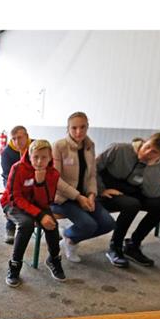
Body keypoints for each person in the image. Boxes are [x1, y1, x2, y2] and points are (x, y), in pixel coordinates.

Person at [96, 133, 160, 268]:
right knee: (132, 205)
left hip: (131, 191)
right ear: (144, 141)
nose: (148, 152)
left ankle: (133, 245)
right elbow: (92, 168)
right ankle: (115, 246)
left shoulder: (158, 166)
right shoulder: (119, 149)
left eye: (154, 152)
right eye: (147, 146)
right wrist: (101, 189)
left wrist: (151, 167)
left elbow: (153, 194)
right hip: (106, 189)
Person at [51, 112, 115, 262]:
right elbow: (56, 180)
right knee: (88, 225)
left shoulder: (89, 145)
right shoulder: (59, 146)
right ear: (68, 128)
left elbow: (92, 174)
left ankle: (69, 236)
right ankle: (71, 240)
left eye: (82, 127)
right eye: (74, 128)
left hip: (84, 196)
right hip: (61, 198)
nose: (78, 132)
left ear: (88, 127)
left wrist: (92, 195)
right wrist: (78, 197)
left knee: (108, 223)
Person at [1, 139, 65, 285]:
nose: (39, 161)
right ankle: (15, 265)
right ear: (29, 155)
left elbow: (45, 202)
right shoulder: (18, 168)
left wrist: (40, 183)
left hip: (38, 204)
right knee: (26, 224)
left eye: (44, 157)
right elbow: (14, 197)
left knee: (52, 224)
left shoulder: (53, 174)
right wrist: (40, 215)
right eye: (35, 157)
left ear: (50, 158)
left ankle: (54, 259)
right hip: (13, 204)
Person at [0, 125, 31, 244]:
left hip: (30, 179)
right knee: (12, 198)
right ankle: (10, 228)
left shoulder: (34, 146)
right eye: (14, 139)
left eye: (20, 137)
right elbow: (8, 176)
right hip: (10, 180)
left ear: (27, 137)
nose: (17, 142)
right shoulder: (6, 153)